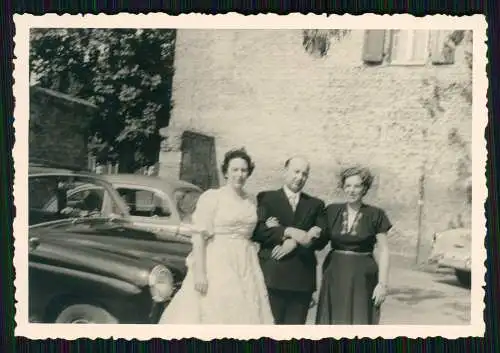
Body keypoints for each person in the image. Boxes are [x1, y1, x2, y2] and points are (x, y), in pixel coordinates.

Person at [158, 148, 274, 324]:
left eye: (244, 170)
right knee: (217, 310)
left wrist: (268, 226)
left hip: (246, 262)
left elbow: (251, 228)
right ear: (226, 172)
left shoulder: (251, 200)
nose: (239, 174)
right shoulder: (212, 198)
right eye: (235, 170)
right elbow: (198, 237)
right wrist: (200, 274)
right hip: (218, 260)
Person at [252, 156, 326, 325]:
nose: (300, 177)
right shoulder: (266, 198)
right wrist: (286, 232)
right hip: (272, 275)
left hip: (301, 279)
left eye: (305, 174)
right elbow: (258, 231)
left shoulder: (316, 205)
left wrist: (295, 243)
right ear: (285, 172)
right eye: (296, 172)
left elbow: (322, 239)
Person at [315, 166, 391, 325]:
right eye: (348, 186)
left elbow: (383, 250)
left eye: (357, 186)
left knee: (359, 320)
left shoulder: (376, 214)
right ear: (343, 187)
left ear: (364, 188)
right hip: (334, 274)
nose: (352, 190)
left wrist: (382, 284)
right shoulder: (331, 211)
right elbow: (318, 241)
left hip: (363, 278)